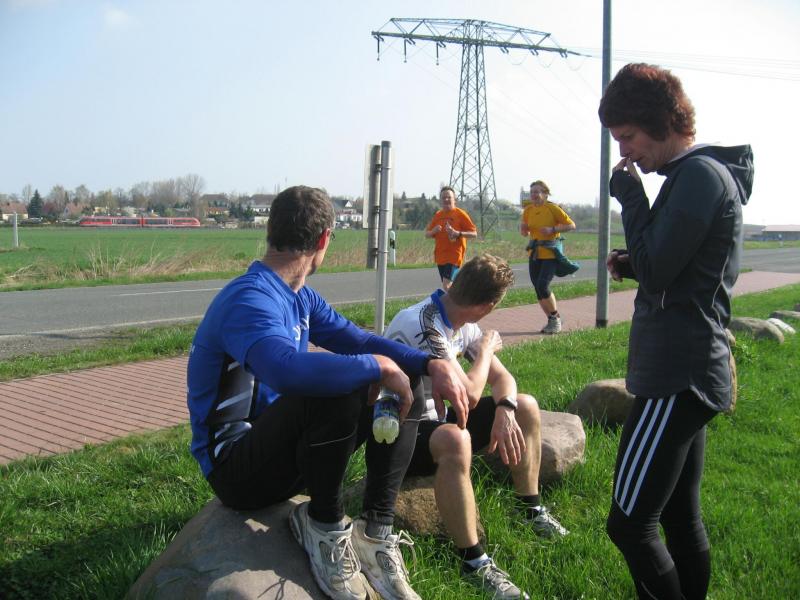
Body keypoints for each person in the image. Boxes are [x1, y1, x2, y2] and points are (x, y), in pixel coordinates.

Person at [186, 185, 469, 600]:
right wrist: (375, 366)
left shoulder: (300, 296)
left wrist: (429, 364)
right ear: (324, 240)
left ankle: (375, 532)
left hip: (282, 453)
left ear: (271, 231)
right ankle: (324, 525)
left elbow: (357, 339)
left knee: (405, 377)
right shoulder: (249, 298)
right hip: (236, 471)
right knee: (341, 384)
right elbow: (284, 370)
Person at [598, 63, 753, 599]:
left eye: (628, 137)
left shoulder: (699, 177)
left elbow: (662, 270)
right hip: (687, 366)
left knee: (629, 525)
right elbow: (678, 265)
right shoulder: (695, 176)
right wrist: (633, 261)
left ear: (660, 121)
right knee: (679, 517)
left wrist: (630, 197)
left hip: (677, 373)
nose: (625, 153)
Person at [384, 253, 568, 600]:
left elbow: (503, 380)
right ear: (489, 306)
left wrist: (506, 410)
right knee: (456, 439)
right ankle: (474, 562)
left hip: (438, 420)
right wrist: (484, 351)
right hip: (399, 429)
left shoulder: (460, 318)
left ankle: (530, 508)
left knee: (525, 405)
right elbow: (468, 395)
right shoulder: (425, 324)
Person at [519, 181, 576, 334]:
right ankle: (553, 319)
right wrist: (523, 229)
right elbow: (525, 232)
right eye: (532, 192)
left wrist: (553, 229)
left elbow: (571, 225)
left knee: (543, 286)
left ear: (545, 194)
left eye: (537, 192)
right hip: (534, 252)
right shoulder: (528, 210)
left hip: (550, 253)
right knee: (538, 289)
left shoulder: (552, 208)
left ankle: (555, 319)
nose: (534, 195)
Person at [425, 186, 478, 290]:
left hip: (454, 256)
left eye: (449, 197)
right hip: (440, 257)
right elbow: (427, 234)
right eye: (443, 197)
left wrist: (457, 233)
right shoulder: (438, 215)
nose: (446, 199)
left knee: (447, 285)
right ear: (440, 200)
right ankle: (467, 297)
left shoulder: (460, 214)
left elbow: (474, 233)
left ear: (454, 199)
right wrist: (433, 231)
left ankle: (457, 300)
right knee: (452, 286)